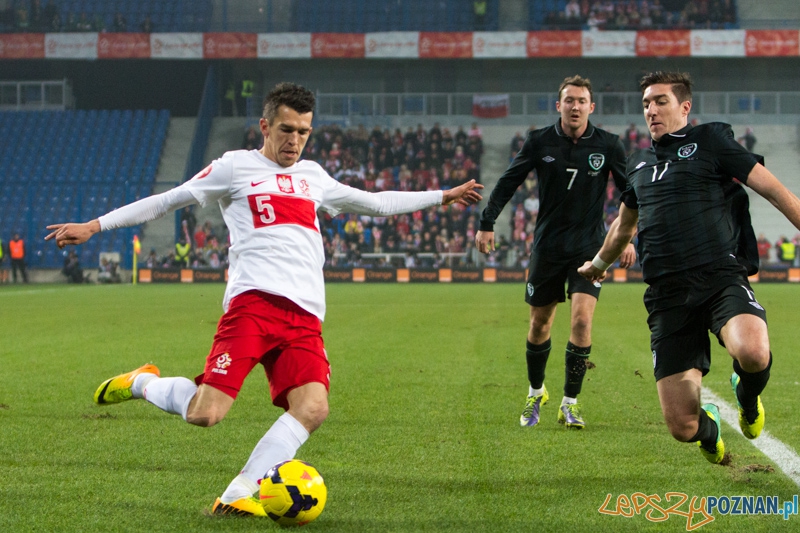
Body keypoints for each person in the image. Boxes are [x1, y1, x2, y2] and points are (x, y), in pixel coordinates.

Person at [46, 82, 483, 516]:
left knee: (313, 407)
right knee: (206, 413)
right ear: (265, 126)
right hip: (253, 306)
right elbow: (168, 200)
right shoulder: (234, 167)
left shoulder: (313, 177)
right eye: (286, 129)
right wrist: (95, 226)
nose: (294, 140)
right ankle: (142, 382)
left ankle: (238, 492)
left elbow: (374, 203)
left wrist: (442, 196)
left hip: (306, 316)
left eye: (303, 132)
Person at [578, 71, 800, 465]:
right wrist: (598, 264)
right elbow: (623, 227)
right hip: (667, 295)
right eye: (646, 103)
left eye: (660, 101)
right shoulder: (639, 163)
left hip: (718, 276)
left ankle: (748, 399)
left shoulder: (711, 141)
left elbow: (772, 189)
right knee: (683, 427)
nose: (651, 110)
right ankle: (710, 429)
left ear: (684, 106)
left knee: (752, 351)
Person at [476, 75, 634, 430]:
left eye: (581, 101)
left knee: (581, 320)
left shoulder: (608, 144)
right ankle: (536, 391)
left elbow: (631, 196)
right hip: (547, 247)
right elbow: (508, 181)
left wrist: (628, 238)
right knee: (539, 323)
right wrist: (487, 222)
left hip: (589, 249)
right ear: (558, 105)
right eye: (569, 100)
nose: (575, 106)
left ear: (591, 107)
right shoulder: (539, 141)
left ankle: (570, 403)